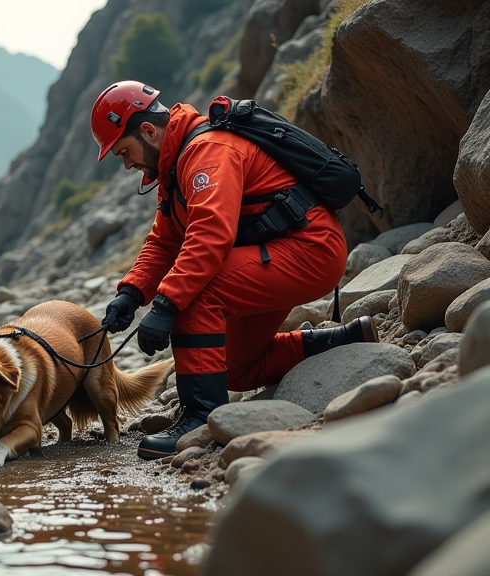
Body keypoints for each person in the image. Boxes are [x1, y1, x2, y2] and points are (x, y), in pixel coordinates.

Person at [90, 81, 377, 460]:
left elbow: (209, 237)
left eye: (124, 152)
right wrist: (131, 293)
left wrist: (165, 305)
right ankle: (347, 341)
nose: (127, 164)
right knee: (237, 368)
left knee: (194, 294)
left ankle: (200, 419)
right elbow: (164, 241)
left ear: (147, 130)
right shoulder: (177, 166)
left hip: (310, 248)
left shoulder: (206, 152)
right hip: (282, 249)